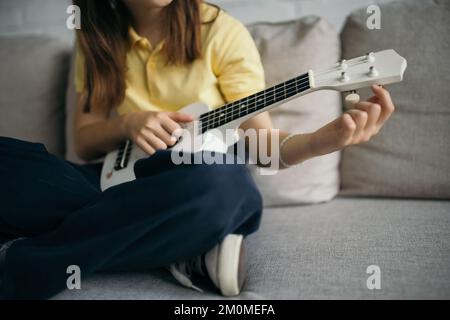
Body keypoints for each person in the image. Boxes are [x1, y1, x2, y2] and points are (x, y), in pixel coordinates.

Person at [0, 0, 395, 299]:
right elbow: (84, 140)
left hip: (193, 182)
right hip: (108, 181)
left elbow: (261, 145)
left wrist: (322, 141)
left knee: (226, 186)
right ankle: (182, 248)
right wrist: (128, 122)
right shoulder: (97, 34)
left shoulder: (222, 33)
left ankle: (22, 265)